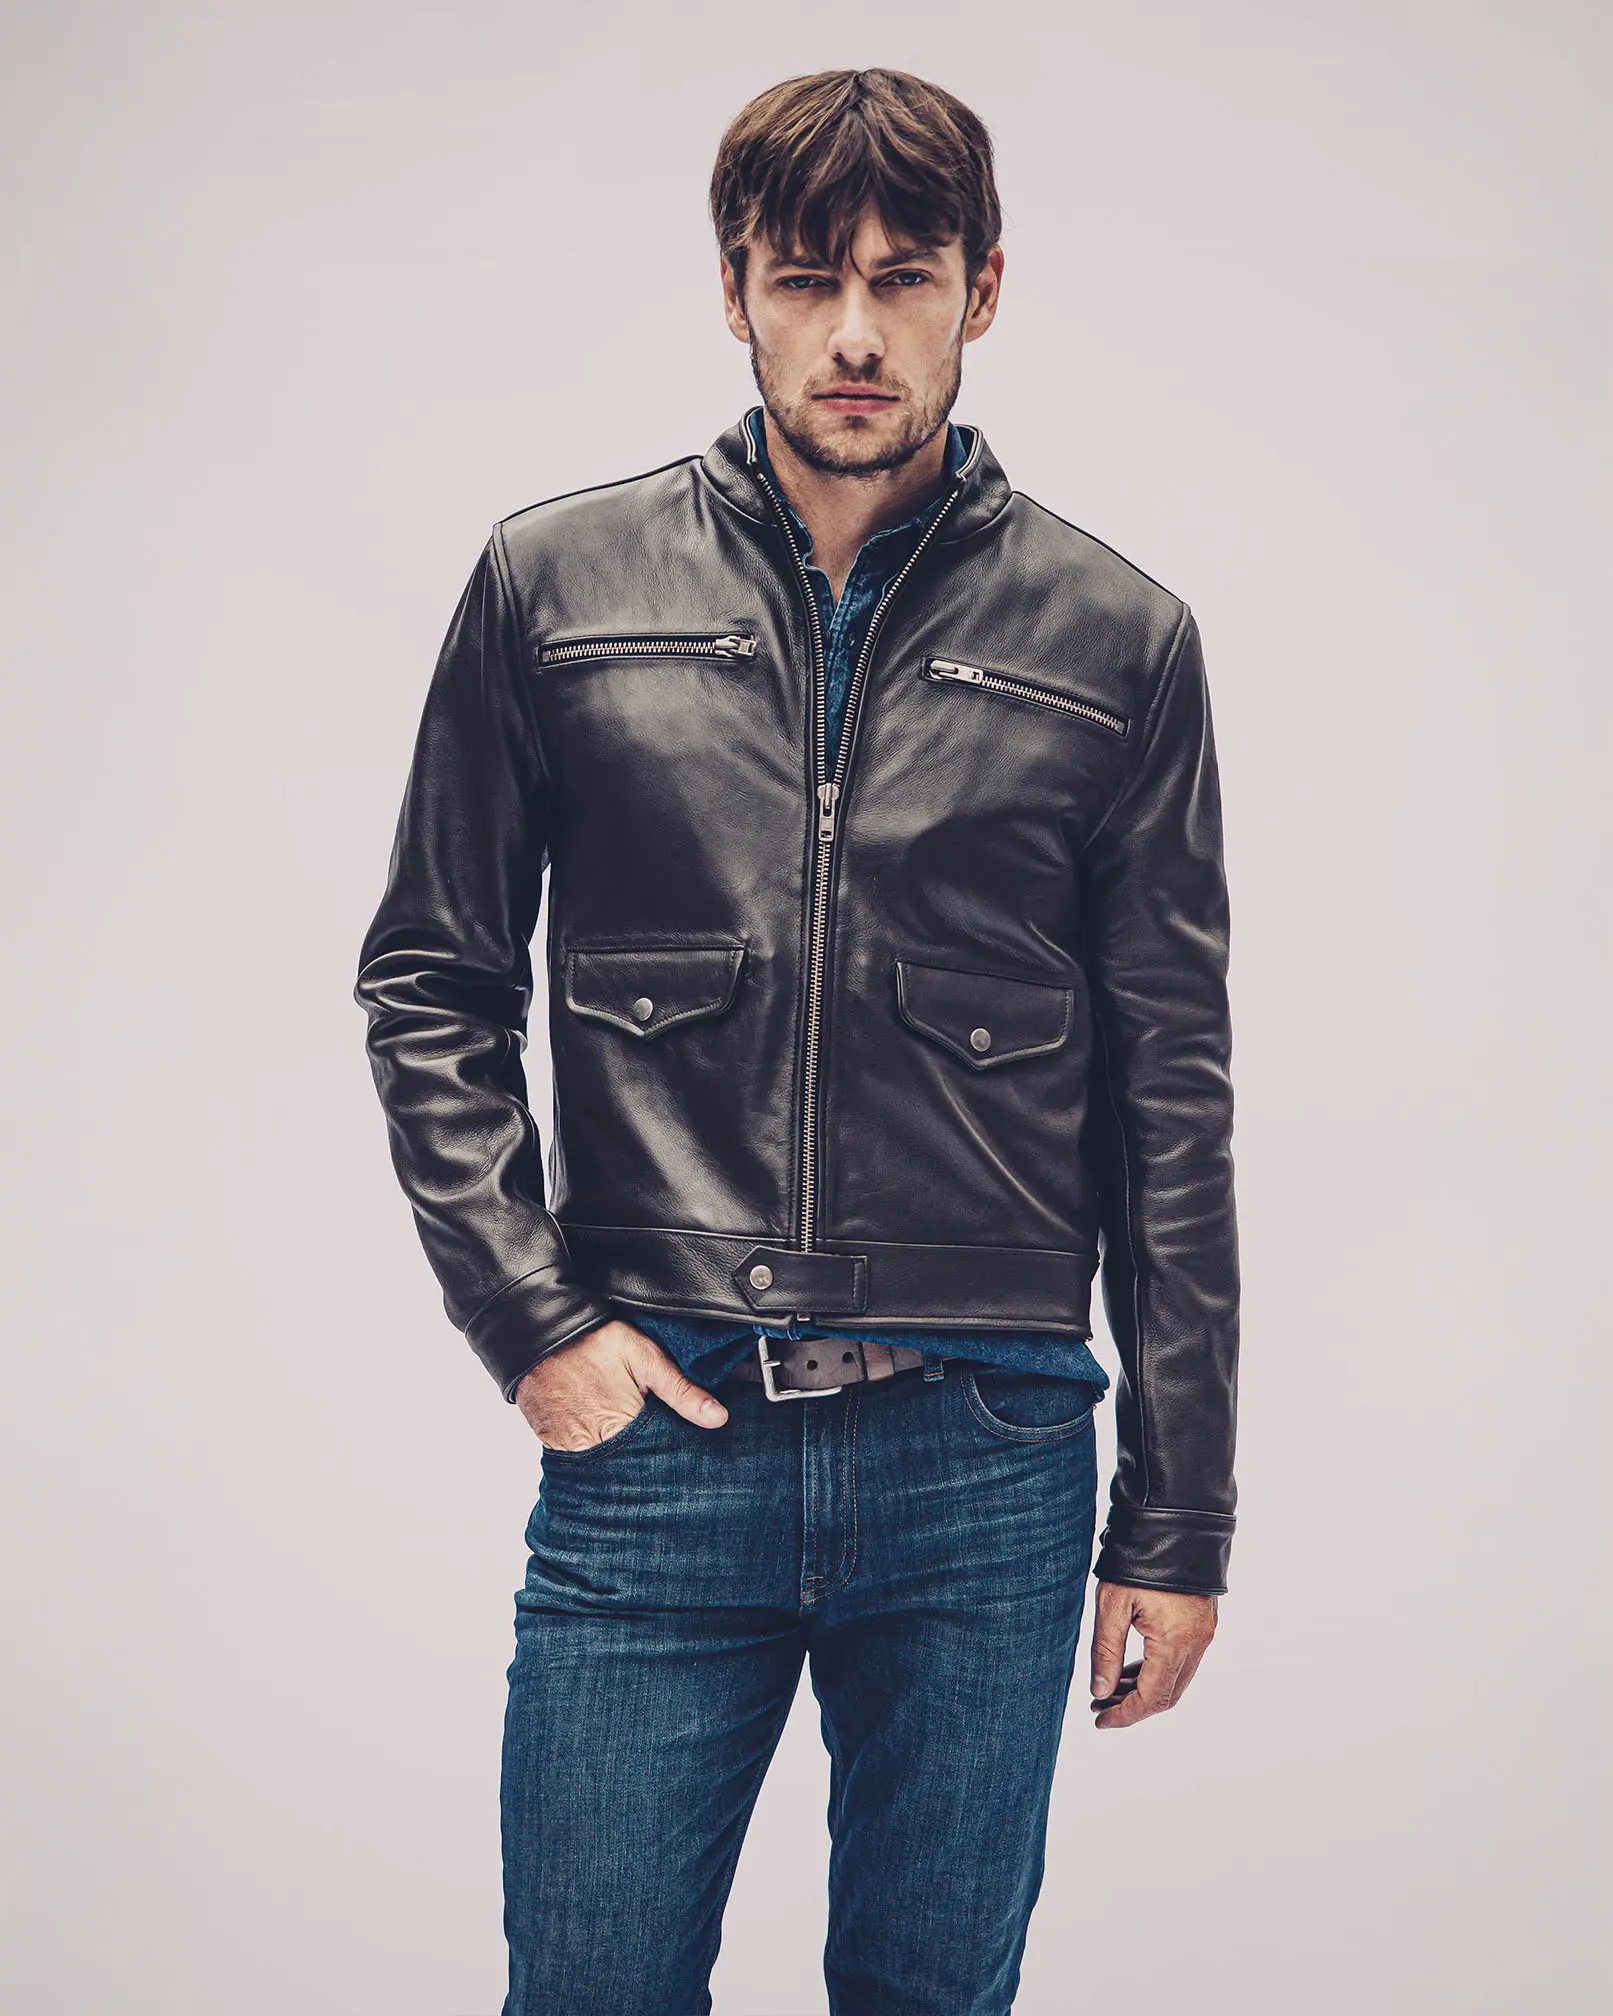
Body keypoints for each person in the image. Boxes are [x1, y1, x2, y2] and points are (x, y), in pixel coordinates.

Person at [354, 65, 1239, 2016]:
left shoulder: (1117, 640)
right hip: (661, 1423)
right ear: (733, 289)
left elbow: (1170, 1105)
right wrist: (533, 1321)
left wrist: (1177, 1517)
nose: (853, 333)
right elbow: (429, 977)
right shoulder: (555, 588)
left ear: (981, 288)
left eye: (903, 278)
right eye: (804, 278)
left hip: (986, 1453)